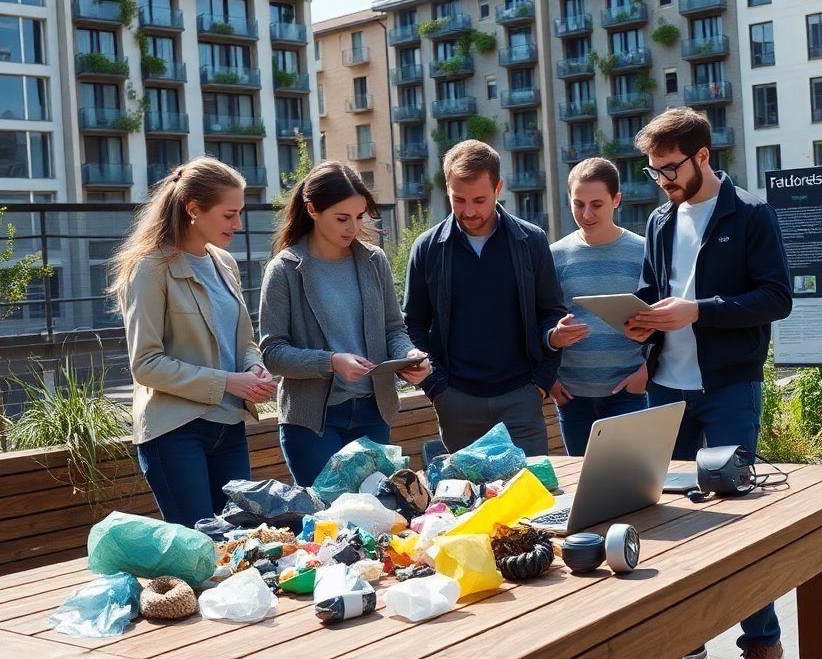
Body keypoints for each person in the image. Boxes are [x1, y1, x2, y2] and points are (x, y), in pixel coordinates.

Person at [624, 107, 793, 659]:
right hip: (665, 389)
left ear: (703, 156)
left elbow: (776, 298)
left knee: (738, 517)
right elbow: (652, 291)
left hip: (727, 388)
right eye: (654, 171)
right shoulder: (659, 221)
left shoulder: (750, 214)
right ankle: (685, 641)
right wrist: (638, 320)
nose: (664, 180)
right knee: (668, 518)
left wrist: (698, 311)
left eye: (670, 168)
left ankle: (761, 642)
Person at [108, 156, 276, 528]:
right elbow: (146, 364)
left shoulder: (225, 263)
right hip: (175, 433)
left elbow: (244, 339)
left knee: (242, 542)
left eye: (240, 212)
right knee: (199, 553)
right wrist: (230, 382)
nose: (238, 224)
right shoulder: (150, 269)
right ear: (194, 209)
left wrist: (254, 367)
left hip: (230, 426)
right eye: (229, 214)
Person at [258, 162, 430, 486]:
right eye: (342, 218)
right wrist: (331, 362)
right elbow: (272, 353)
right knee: (329, 525)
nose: (352, 227)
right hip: (313, 425)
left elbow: (394, 329)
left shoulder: (374, 261)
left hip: (373, 413)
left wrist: (409, 356)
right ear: (312, 210)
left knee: (379, 522)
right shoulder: (284, 270)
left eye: (359, 216)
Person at [403, 140, 569, 456]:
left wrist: (541, 385)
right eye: (458, 200)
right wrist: (435, 388)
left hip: (522, 398)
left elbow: (550, 312)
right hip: (455, 402)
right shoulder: (426, 248)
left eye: (479, 200)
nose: (468, 211)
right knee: (470, 503)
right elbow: (413, 324)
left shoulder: (531, 241)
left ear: (498, 189)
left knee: (534, 498)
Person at [548, 158, 648, 456]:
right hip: (571, 396)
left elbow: (663, 321)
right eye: (578, 204)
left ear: (616, 199)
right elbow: (536, 322)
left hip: (629, 392)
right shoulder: (553, 256)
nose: (586, 214)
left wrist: (645, 374)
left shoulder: (644, 252)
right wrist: (550, 381)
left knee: (631, 483)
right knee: (583, 485)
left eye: (597, 204)